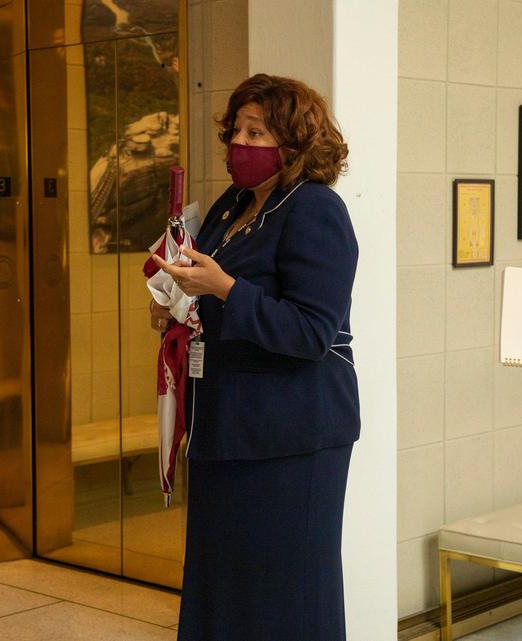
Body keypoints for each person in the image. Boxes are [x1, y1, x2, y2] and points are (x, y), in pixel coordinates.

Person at [151, 74, 360, 640]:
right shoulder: (232, 205)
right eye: (236, 130)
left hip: (291, 438)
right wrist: (178, 308)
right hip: (225, 426)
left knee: (283, 595)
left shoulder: (316, 210)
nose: (238, 143)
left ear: (294, 141)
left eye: (256, 132)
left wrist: (223, 289)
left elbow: (312, 331)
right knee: (223, 588)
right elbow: (213, 296)